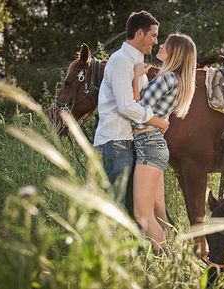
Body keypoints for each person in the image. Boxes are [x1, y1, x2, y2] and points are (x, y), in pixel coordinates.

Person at [93, 11, 169, 216]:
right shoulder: (120, 61)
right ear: (139, 34)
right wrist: (156, 120)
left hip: (127, 142)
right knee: (114, 208)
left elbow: (138, 101)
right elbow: (125, 106)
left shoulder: (136, 63)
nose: (155, 41)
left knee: (127, 208)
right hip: (115, 142)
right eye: (153, 35)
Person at [131, 33, 197, 252]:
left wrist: (135, 78)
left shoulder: (166, 78)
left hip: (149, 144)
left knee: (143, 215)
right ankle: (175, 261)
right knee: (159, 212)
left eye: (165, 45)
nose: (160, 46)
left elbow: (137, 109)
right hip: (155, 144)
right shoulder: (176, 80)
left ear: (174, 52)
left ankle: (164, 260)